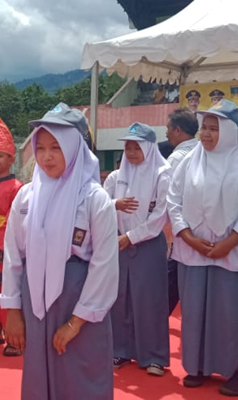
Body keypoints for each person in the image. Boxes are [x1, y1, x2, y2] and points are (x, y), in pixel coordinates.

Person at [0, 121, 119, 399]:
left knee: (81, 374)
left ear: (74, 149)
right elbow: (13, 255)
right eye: (40, 148)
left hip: (79, 300)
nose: (46, 156)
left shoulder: (94, 198)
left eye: (56, 148)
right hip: (35, 299)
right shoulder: (27, 196)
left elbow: (104, 264)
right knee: (38, 373)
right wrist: (13, 311)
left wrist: (75, 322)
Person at [167, 100, 238, 397]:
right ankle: (197, 366)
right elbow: (173, 201)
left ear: (229, 131)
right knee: (195, 311)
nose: (207, 135)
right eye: (204, 128)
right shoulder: (188, 161)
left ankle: (237, 371)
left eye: (214, 129)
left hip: (236, 253)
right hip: (193, 252)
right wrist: (187, 237)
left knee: (234, 313)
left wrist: (229, 242)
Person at [105, 122, 172, 376]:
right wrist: (115, 204)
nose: (131, 153)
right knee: (119, 299)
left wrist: (132, 236)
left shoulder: (162, 174)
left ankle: (154, 356)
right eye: (128, 147)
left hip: (148, 244)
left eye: (137, 147)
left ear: (149, 148)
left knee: (149, 300)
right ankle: (120, 350)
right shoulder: (116, 176)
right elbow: (99, 206)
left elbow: (159, 215)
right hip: (119, 244)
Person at [0, 117, 24, 354]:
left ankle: (13, 337)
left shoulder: (17, 187)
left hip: (4, 245)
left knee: (6, 288)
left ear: (11, 159)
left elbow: (13, 220)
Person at [164, 108, 200, 314]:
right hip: (204, 230)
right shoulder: (204, 151)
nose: (166, 133)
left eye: (168, 128)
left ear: (177, 130)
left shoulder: (177, 158)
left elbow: (168, 198)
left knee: (172, 281)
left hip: (181, 231)